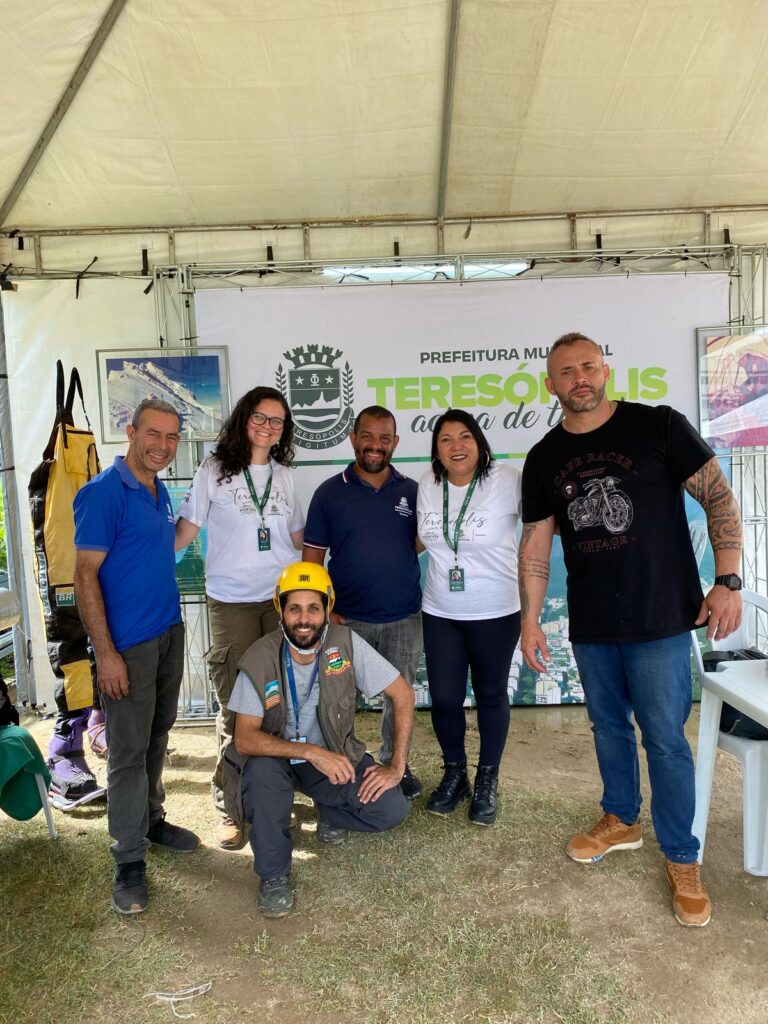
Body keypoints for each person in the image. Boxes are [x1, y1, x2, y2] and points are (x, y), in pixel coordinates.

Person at [519, 331, 743, 928]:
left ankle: (682, 856)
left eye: (588, 366)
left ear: (605, 371)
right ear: (551, 384)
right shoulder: (544, 457)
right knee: (608, 726)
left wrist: (728, 580)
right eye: (566, 371)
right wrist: (530, 619)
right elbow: (536, 543)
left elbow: (719, 498)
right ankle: (621, 818)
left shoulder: (659, 426)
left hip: (662, 616)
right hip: (592, 622)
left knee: (665, 739)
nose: (579, 378)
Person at [228, 561, 413, 918]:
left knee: (392, 808)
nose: (304, 619)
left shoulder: (345, 643)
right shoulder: (260, 656)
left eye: (313, 608)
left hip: (333, 758)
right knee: (263, 778)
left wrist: (396, 766)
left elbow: (402, 694)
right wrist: (310, 752)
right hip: (277, 763)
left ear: (327, 609)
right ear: (280, 610)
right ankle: (274, 876)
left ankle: (329, 811)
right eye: (294, 608)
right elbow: (245, 739)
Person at [74, 398, 200, 916]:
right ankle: (128, 859)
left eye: (171, 437)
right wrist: (106, 654)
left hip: (168, 632)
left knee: (157, 733)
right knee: (127, 751)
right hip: (127, 645)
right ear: (131, 432)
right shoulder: (102, 493)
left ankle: (151, 819)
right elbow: (84, 576)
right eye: (154, 434)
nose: (162, 446)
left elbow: (161, 549)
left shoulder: (158, 490)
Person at [175, 386, 304, 850]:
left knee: (278, 703)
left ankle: (273, 798)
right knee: (236, 703)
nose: (268, 427)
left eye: (277, 421)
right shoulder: (213, 470)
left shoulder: (286, 477)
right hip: (231, 601)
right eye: (260, 417)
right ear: (243, 419)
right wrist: (145, 566)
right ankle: (229, 803)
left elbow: (297, 539)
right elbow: (185, 530)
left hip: (280, 602)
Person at [302, 405, 423, 798]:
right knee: (339, 700)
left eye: (384, 438)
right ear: (353, 438)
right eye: (367, 436)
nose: (375, 445)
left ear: (395, 443)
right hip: (346, 620)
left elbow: (419, 542)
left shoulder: (412, 491)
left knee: (399, 696)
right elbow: (312, 561)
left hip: (404, 617)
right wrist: (323, 613)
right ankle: (342, 767)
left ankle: (394, 764)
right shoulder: (328, 492)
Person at [416, 409, 522, 826]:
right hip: (440, 610)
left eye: (464, 437)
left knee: (491, 694)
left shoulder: (508, 480)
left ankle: (487, 779)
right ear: (436, 449)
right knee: (444, 698)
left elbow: (541, 528)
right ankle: (455, 773)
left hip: (496, 609)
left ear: (479, 442)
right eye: (445, 439)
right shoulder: (428, 485)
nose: (456, 446)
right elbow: (419, 541)